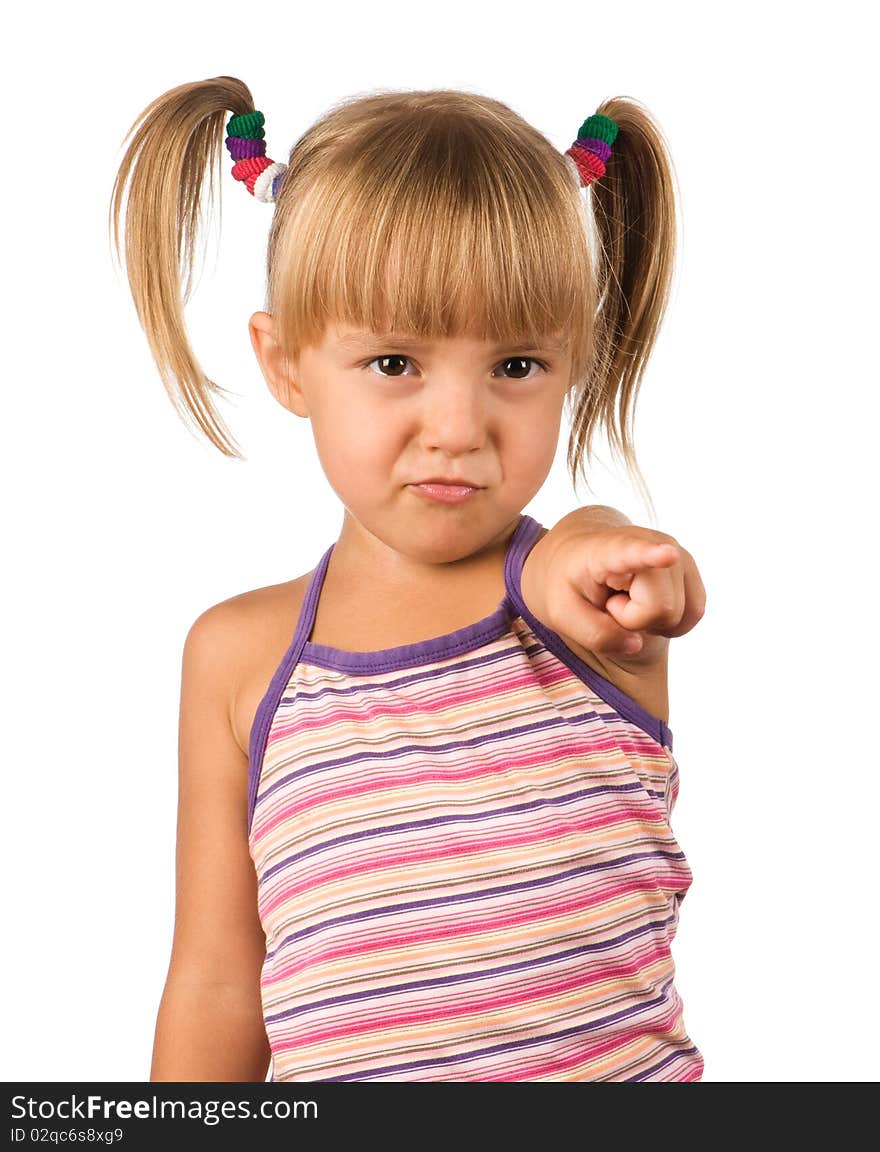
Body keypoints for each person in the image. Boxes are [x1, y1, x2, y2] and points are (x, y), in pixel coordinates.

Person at [110, 76, 707, 1083]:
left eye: (516, 365)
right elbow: (217, 981)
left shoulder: (580, 605)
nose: (459, 427)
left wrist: (607, 549)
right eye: (394, 362)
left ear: (574, 361)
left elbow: (615, 560)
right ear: (288, 363)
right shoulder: (241, 658)